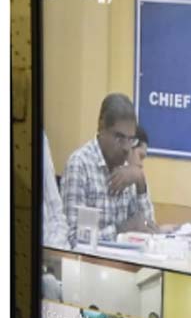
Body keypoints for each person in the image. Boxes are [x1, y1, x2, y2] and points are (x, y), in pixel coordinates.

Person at [62, 93, 156, 246]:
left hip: (126, 259)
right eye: (119, 137)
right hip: (90, 260)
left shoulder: (130, 170)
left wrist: (140, 182)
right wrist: (121, 229)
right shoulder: (80, 164)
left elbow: (150, 230)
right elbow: (73, 239)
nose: (126, 148)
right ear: (101, 128)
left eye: (131, 139)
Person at [42, 132, 70, 248]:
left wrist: (54, 250)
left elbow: (56, 213)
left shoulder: (39, 138)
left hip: (48, 247)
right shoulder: (79, 161)